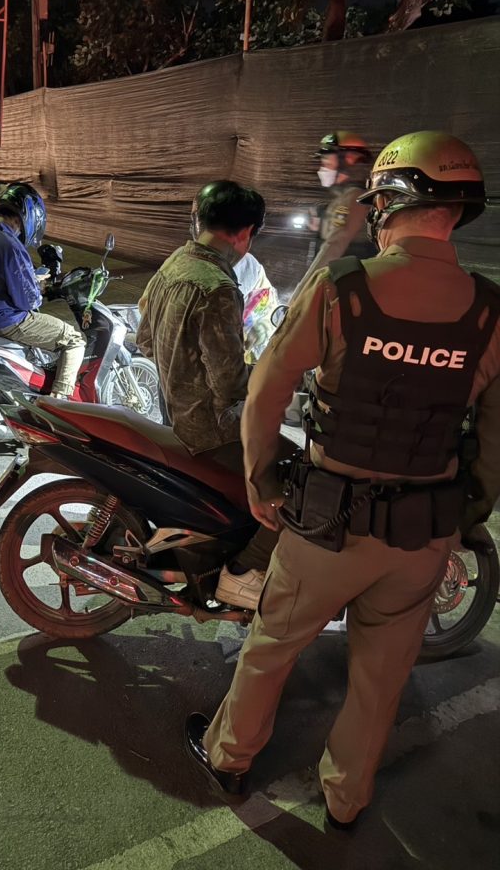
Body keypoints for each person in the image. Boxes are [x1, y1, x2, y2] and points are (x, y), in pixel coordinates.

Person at [186, 131, 500, 831]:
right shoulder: (490, 311)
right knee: (381, 678)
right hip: (421, 534)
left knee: (272, 647)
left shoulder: (342, 289)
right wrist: (468, 513)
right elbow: (495, 438)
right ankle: (346, 798)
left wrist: (262, 481)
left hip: (327, 526)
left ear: (387, 203)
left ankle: (230, 757)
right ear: (458, 211)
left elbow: (267, 392)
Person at [137, 180, 279, 609]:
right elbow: (229, 384)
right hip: (209, 428)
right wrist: (274, 376)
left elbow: (144, 340)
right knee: (297, 484)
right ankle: (244, 572)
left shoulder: (174, 264)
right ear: (245, 233)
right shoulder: (218, 286)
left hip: (170, 412)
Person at [0, 182, 86, 398]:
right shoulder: (10, 245)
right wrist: (38, 287)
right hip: (8, 321)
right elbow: (28, 301)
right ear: (24, 218)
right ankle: (59, 400)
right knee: (73, 339)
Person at [290, 131, 376, 300]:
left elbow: (334, 246)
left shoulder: (354, 198)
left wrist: (302, 293)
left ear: (348, 160)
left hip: (345, 290)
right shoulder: (344, 198)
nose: (322, 168)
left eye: (327, 161)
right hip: (339, 285)